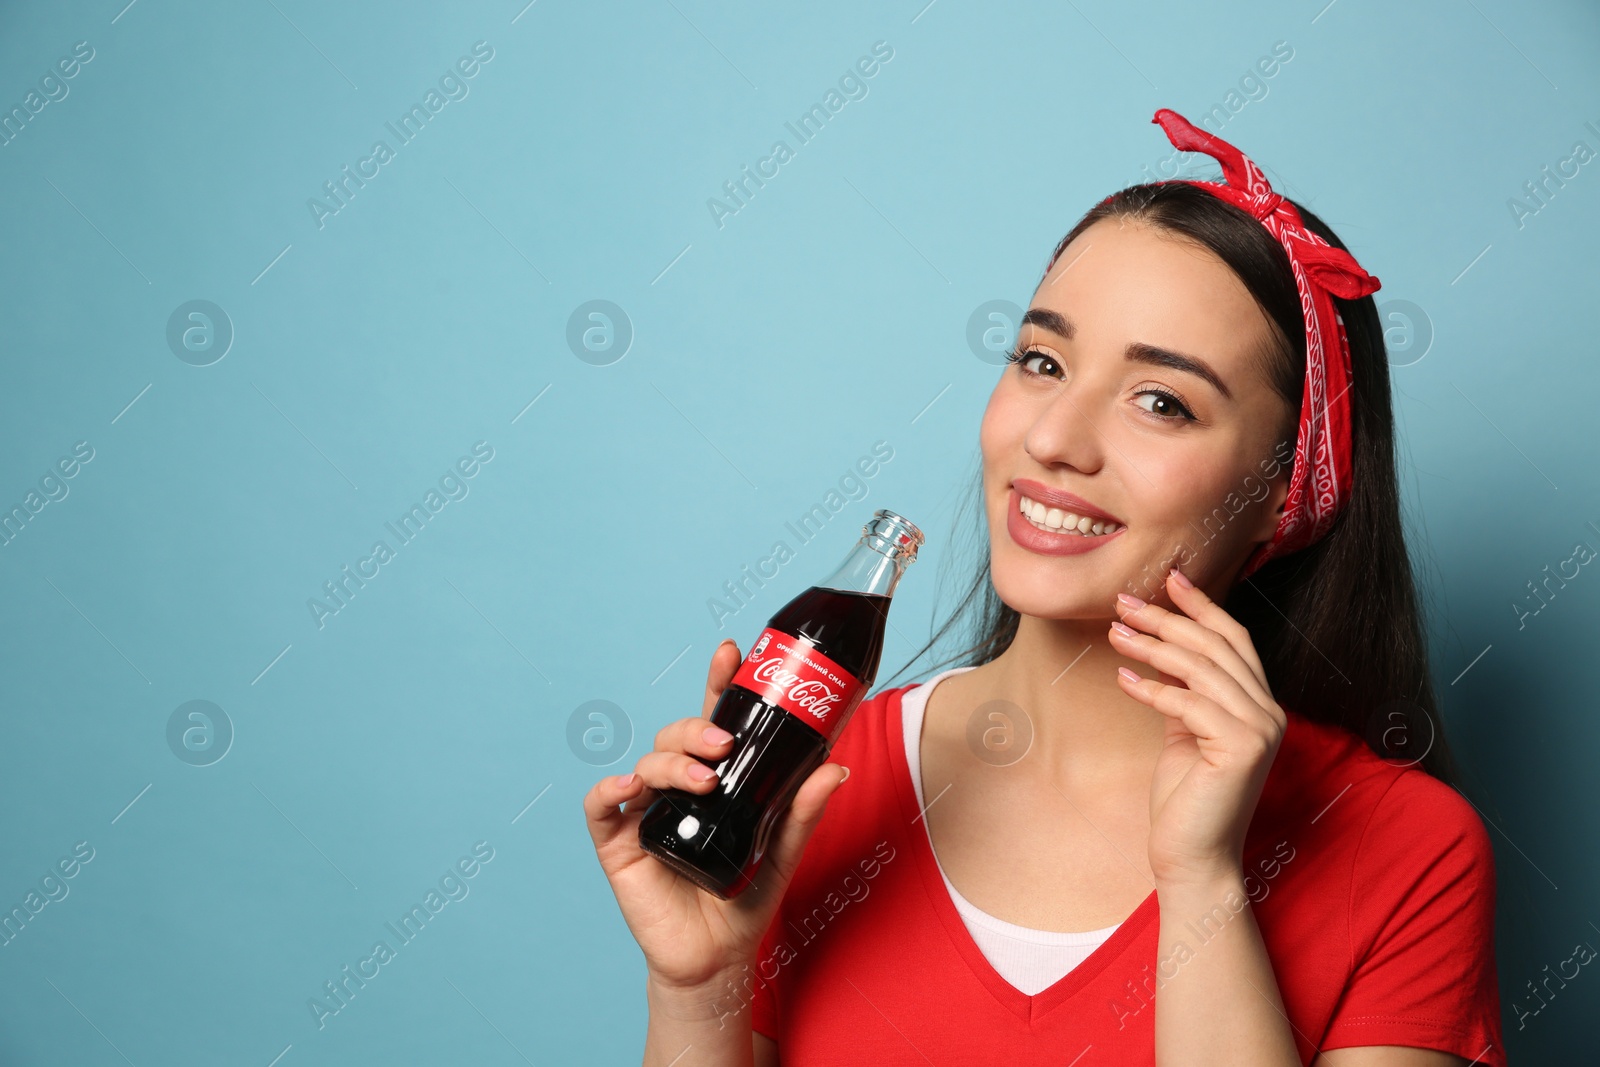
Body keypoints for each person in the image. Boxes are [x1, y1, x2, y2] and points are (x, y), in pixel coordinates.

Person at [584, 108, 1504, 1066]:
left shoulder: (1406, 851)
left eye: (1162, 401)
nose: (1055, 438)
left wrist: (1202, 882)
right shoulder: (804, 789)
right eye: (1041, 360)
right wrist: (699, 993)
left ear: (1284, 495)